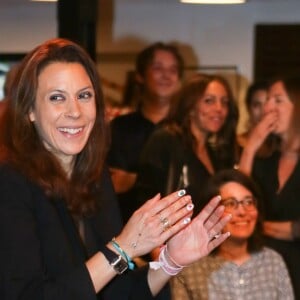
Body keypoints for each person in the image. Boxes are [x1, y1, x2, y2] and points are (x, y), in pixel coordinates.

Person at [0, 38, 231, 300]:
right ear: (29, 110)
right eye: (57, 98)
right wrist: (123, 247)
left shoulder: (95, 179)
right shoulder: (9, 183)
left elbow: (114, 292)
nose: (74, 111)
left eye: (84, 96)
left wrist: (170, 262)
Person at [170, 169, 294, 300]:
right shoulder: (191, 269)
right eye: (230, 203)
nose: (242, 211)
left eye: (248, 202)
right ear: (211, 212)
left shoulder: (273, 262)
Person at [136, 73, 240, 217]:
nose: (219, 108)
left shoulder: (216, 153)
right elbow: (146, 199)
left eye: (225, 102)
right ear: (190, 106)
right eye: (209, 101)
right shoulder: (165, 141)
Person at [108, 42, 184, 222]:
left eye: (173, 70)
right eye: (158, 68)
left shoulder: (186, 130)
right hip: (128, 230)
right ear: (140, 76)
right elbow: (116, 183)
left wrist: (135, 180)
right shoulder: (119, 128)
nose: (166, 75)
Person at [239, 75, 300, 299]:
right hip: (263, 272)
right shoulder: (265, 158)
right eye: (266, 102)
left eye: (277, 100)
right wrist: (250, 148)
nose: (268, 108)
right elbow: (237, 204)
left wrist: (259, 227)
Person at [238, 80, 268, 148]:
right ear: (248, 108)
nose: (263, 112)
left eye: (267, 104)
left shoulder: (279, 146)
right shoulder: (236, 143)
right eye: (257, 105)